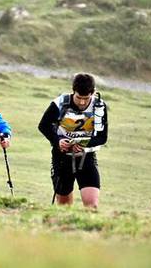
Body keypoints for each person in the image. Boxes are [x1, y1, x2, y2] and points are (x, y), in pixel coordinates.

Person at [38, 72, 108, 208]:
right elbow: (43, 125)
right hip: (62, 158)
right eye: (78, 98)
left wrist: (83, 145)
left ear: (93, 93)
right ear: (73, 91)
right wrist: (57, 141)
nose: (82, 102)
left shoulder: (99, 106)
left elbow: (102, 137)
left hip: (86, 157)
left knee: (92, 206)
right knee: (64, 207)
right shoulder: (60, 103)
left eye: (86, 98)